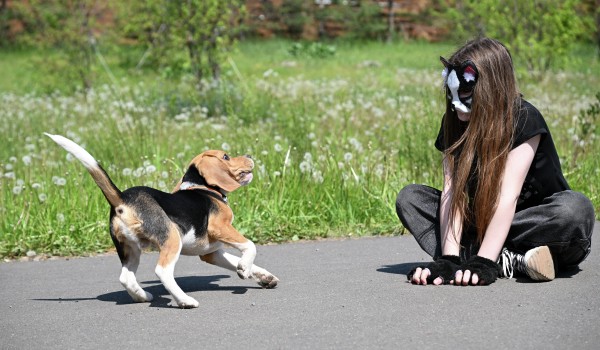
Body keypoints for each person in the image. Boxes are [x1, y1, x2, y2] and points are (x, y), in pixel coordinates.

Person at [395, 37, 595, 286]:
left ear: (490, 88)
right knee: (410, 198)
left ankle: (489, 257)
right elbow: (452, 194)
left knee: (575, 208)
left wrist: (484, 262)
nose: (456, 102)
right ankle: (512, 260)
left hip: (537, 228)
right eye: (451, 91)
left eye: (466, 92)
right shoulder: (455, 122)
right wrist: (448, 260)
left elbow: (506, 196)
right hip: (482, 224)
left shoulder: (523, 119)